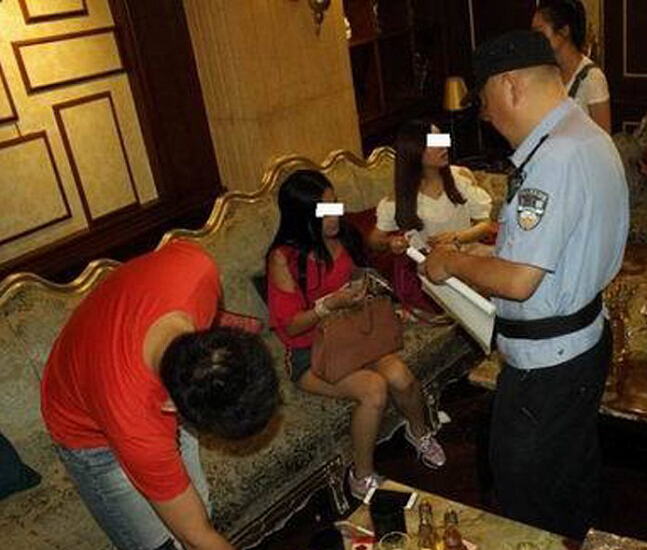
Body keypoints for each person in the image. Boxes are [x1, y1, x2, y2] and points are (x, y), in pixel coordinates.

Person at [422, 30, 628, 539]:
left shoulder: (553, 159)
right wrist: (482, 256)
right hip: (582, 345)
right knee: (570, 481)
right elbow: (552, 252)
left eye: (485, 102)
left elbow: (518, 281)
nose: (487, 117)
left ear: (510, 86)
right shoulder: (587, 136)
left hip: (547, 366)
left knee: (527, 503)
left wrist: (452, 263)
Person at [41, 240, 280, 550]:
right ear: (171, 407)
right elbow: (196, 536)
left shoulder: (197, 270)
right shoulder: (137, 423)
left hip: (108, 360)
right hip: (84, 427)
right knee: (158, 542)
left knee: (197, 506)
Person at [265, 170, 446, 501]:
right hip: (311, 354)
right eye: (325, 210)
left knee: (402, 377)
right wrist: (328, 305)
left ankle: (419, 433)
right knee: (373, 389)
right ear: (302, 214)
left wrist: (372, 276)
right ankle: (361, 476)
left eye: (335, 204)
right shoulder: (284, 258)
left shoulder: (343, 235)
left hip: (355, 336)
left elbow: (366, 263)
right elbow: (290, 326)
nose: (335, 215)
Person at [369, 120, 494, 316]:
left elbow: (485, 224)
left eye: (442, 138)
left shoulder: (459, 177)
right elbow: (374, 240)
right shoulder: (401, 197)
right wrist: (391, 242)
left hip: (468, 255)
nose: (443, 146)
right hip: (430, 268)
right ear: (415, 150)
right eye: (434, 142)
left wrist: (457, 237)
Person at [532, 0, 612, 132]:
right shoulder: (545, 72)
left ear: (564, 31)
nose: (534, 39)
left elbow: (604, 138)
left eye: (539, 32)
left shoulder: (592, 78)